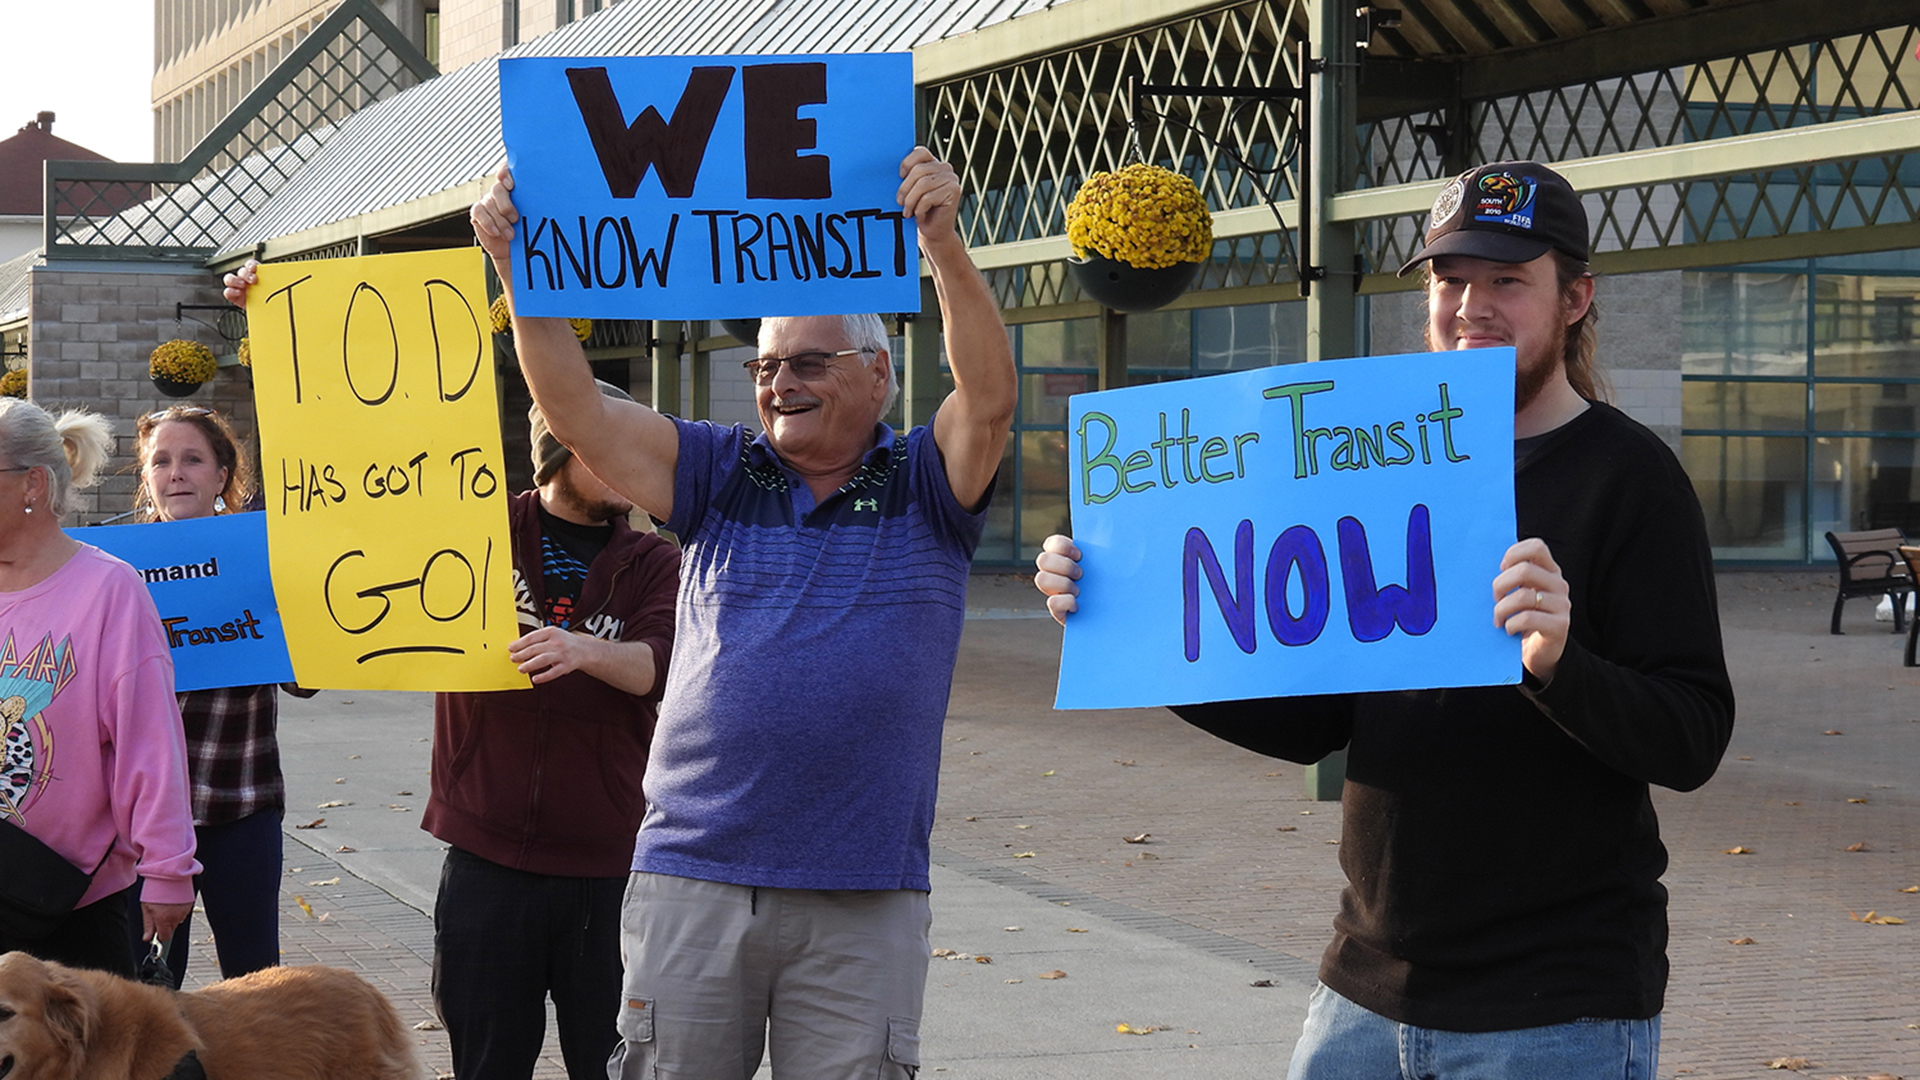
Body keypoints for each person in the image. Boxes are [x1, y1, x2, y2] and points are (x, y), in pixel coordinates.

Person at [1034, 161, 1735, 1078]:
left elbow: (1692, 739)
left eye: (1508, 281)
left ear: (1576, 299)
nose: (1472, 305)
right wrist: (1145, 638)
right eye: (1451, 279)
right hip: (1365, 991)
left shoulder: (1631, 477)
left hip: (1558, 1011)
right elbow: (1318, 722)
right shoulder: (1383, 459)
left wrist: (1561, 663)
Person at [468, 145, 1016, 1080]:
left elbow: (992, 397)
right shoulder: (721, 468)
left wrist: (943, 250)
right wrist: (525, 278)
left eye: (809, 361)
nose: (779, 383)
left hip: (863, 887)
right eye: (765, 366)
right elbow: (577, 413)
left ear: (879, 373)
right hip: (693, 874)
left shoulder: (926, 480)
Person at [219, 256, 682, 1077]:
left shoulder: (652, 560)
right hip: (485, 857)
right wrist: (275, 322)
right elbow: (346, 504)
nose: (633, 463)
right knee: (485, 1063)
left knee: (611, 1067)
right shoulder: (467, 527)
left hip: (608, 867)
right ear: (559, 449)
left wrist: (581, 649)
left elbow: (652, 669)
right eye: (610, 446)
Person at [0, 398, 198, 976]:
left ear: (33, 483)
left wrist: (168, 866)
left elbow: (150, 744)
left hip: (71, 903)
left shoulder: (109, 591)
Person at [127, 403, 313, 988]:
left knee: (256, 984)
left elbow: (305, 680)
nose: (175, 473)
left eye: (192, 459)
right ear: (146, 477)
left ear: (222, 476)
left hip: (241, 805)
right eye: (161, 461)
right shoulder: (114, 570)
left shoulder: (259, 555)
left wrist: (290, 606)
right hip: (143, 821)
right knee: (146, 992)